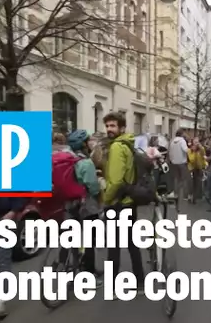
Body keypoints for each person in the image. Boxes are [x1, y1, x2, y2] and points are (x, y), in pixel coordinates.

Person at [101, 112, 145, 295]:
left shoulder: (117, 147)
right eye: (108, 126)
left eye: (113, 126)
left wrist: (106, 198)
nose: (109, 129)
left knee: (113, 246)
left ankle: (111, 287)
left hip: (118, 202)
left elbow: (117, 181)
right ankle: (140, 282)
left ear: (121, 128)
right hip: (129, 201)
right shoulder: (129, 143)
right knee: (131, 243)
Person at [65, 129, 103, 286]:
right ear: (83, 145)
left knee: (73, 238)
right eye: (87, 142)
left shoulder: (68, 160)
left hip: (69, 204)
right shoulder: (86, 163)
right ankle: (88, 274)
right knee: (89, 241)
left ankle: (70, 267)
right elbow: (93, 188)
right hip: (86, 206)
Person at [168, 129, 189, 209]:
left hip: (174, 162)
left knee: (176, 179)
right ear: (182, 134)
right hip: (182, 162)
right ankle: (184, 196)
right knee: (184, 179)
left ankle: (175, 193)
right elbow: (185, 150)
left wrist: (172, 159)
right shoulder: (182, 141)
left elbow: (170, 152)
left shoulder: (172, 141)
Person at [187, 137, 206, 203]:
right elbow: (192, 160)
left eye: (197, 142)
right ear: (192, 143)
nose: (196, 144)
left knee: (197, 184)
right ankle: (189, 196)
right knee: (191, 183)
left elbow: (203, 156)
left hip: (199, 168)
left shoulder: (201, 149)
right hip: (192, 168)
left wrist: (201, 148)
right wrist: (194, 152)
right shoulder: (190, 150)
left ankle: (194, 198)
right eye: (195, 142)